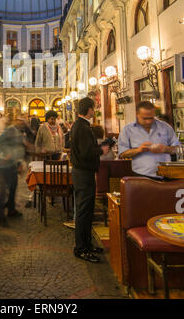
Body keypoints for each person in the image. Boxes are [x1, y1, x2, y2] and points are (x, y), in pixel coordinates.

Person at [70, 97, 110, 263]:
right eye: (93, 108)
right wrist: (102, 150)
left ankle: (87, 243)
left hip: (83, 173)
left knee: (87, 211)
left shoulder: (80, 125)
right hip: (83, 173)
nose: (94, 111)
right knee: (84, 211)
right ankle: (81, 249)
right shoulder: (83, 127)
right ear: (88, 109)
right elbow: (87, 152)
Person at [118, 101, 179, 179]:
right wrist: (139, 150)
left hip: (166, 175)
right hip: (142, 176)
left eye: (151, 118)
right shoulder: (128, 130)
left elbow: (178, 149)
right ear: (137, 114)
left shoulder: (165, 127)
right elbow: (122, 153)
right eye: (145, 118)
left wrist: (165, 149)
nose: (149, 121)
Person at [0, 115, 26, 226]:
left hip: (13, 163)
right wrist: (7, 153)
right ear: (16, 120)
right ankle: (1, 216)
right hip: (6, 164)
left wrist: (18, 162)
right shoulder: (11, 130)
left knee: (13, 187)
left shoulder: (17, 131)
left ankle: (11, 209)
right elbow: (1, 140)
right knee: (5, 190)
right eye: (21, 120)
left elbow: (18, 146)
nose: (23, 123)